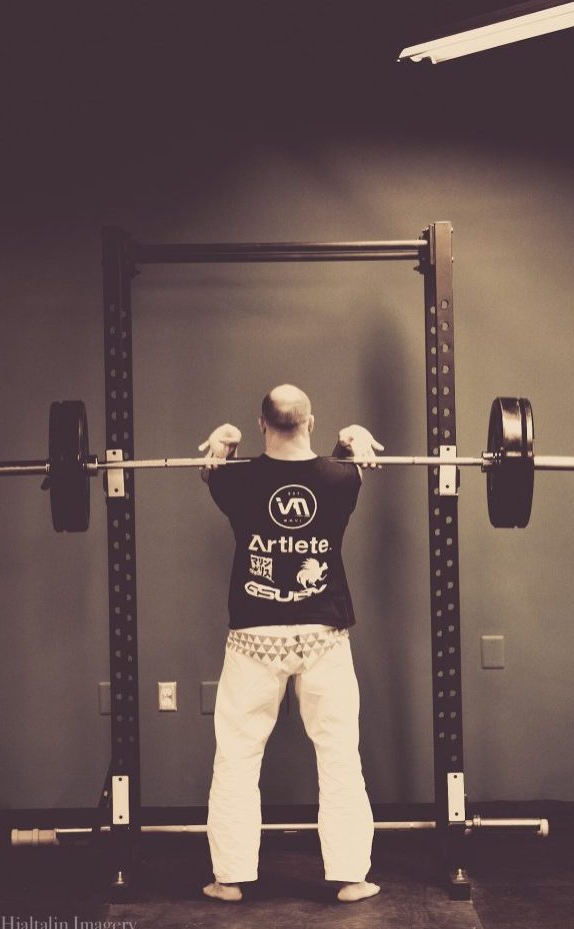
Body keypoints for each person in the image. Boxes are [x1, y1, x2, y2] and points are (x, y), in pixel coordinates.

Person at [199, 384, 384, 904]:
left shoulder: (235, 481)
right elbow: (353, 459)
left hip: (255, 637)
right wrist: (352, 438)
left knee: (236, 755)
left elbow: (212, 468)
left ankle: (229, 879)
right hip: (323, 634)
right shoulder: (340, 477)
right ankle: (352, 877)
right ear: (310, 422)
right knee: (340, 756)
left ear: (262, 424)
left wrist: (224, 442)